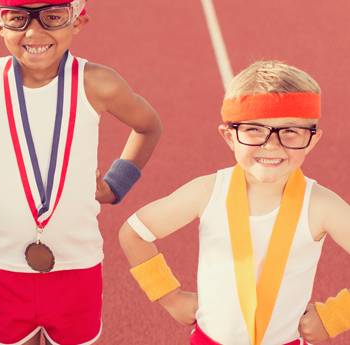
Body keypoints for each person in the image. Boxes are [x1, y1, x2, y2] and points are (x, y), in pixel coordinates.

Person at [0, 1, 161, 344]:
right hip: (7, 264)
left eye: (53, 17)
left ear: (78, 21)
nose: (34, 32)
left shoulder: (97, 83)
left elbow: (148, 126)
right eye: (18, 18)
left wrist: (116, 184)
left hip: (77, 264)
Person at [119, 60, 350, 345]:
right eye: (254, 130)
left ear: (312, 140)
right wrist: (170, 297)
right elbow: (134, 233)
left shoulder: (320, 206)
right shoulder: (207, 192)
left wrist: (337, 315)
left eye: (290, 131)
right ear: (229, 136)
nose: (272, 145)